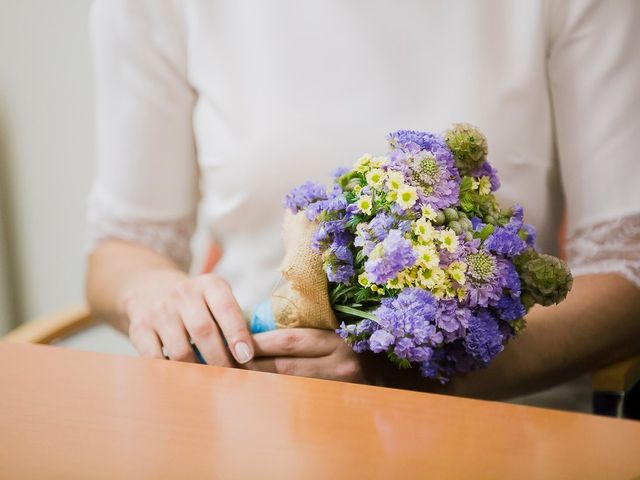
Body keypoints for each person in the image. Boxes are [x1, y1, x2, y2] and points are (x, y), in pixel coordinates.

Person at [86, 0, 640, 399]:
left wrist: (412, 370)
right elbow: (125, 247)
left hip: (492, 411)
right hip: (243, 401)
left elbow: (627, 271)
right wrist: (160, 297)